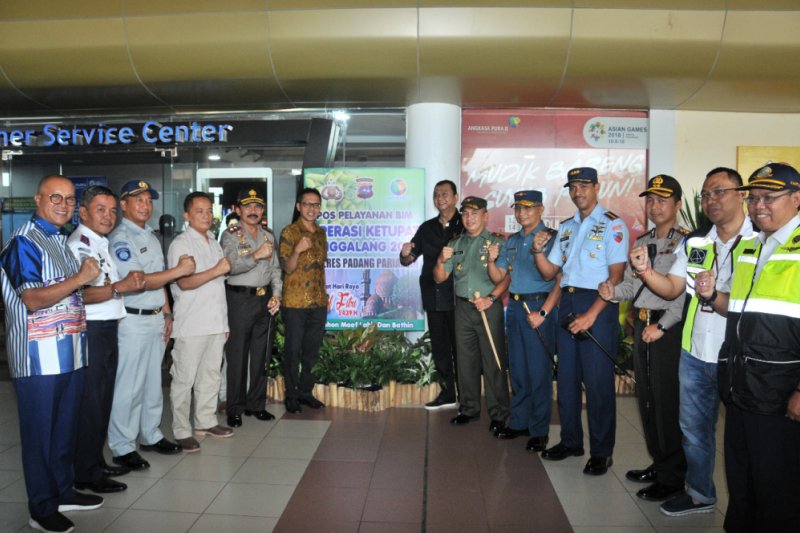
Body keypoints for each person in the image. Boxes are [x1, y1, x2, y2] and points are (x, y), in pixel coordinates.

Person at [628, 167, 752, 516]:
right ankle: (700, 493)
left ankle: (751, 503)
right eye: (707, 195)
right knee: (694, 430)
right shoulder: (697, 242)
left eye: (720, 192)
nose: (711, 200)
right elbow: (672, 288)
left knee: (742, 435)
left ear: (741, 194)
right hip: (696, 351)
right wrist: (645, 271)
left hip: (738, 353)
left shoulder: (759, 240)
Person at [693, 163, 800, 532]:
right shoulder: (751, 247)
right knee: (741, 482)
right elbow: (739, 310)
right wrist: (711, 295)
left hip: (780, 394)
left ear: (797, 198)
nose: (759, 206)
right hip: (740, 389)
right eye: (754, 198)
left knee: (778, 490)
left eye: (770, 197)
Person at [0, 175, 104, 533]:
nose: (64, 205)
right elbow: (31, 299)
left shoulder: (59, 239)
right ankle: (41, 507)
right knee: (40, 435)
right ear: (37, 198)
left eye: (70, 199)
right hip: (37, 357)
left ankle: (62, 491)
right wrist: (80, 279)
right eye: (55, 197)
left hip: (71, 351)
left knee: (63, 430)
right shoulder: (23, 242)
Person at [531, 167, 629, 476]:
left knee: (598, 384)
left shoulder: (613, 224)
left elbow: (616, 277)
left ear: (597, 187)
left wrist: (592, 314)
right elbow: (552, 274)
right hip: (569, 301)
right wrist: (537, 251)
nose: (577, 192)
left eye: (584, 186)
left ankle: (602, 452)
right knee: (568, 380)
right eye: (573, 187)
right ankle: (571, 440)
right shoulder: (568, 227)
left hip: (597, 304)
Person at [599, 175, 688, 500]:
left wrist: (662, 326)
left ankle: (673, 477)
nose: (655, 205)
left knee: (666, 403)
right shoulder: (645, 239)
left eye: (663, 200)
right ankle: (659, 463)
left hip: (666, 331)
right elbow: (636, 286)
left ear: (678, 204)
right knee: (647, 402)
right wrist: (612, 292)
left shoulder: (687, 243)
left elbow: (684, 294)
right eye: (650, 200)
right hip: (643, 328)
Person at [108, 180, 195, 471]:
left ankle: (150, 434)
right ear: (123, 205)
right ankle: (122, 445)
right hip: (132, 319)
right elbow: (138, 281)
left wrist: (167, 314)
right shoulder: (120, 238)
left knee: (151, 383)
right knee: (128, 386)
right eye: (138, 200)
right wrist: (179, 271)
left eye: (148, 200)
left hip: (155, 316)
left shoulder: (150, 234)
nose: (145, 205)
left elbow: (158, 281)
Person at [66, 186, 146, 494]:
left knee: (101, 402)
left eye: (112, 210)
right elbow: (78, 293)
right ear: (83, 212)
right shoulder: (79, 245)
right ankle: (85, 473)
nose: (108, 216)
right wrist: (120, 288)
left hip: (108, 327)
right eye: (100, 209)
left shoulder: (101, 243)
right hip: (92, 330)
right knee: (91, 403)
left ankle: (93, 462)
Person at [488, 190, 558, 452]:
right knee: (517, 368)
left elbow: (557, 278)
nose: (522, 213)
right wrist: (492, 261)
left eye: (528, 208)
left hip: (539, 305)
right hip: (515, 306)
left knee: (538, 371)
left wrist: (544, 313)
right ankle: (519, 422)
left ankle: (539, 429)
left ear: (541, 208)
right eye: (518, 208)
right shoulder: (513, 240)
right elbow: (498, 277)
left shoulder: (550, 238)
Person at [433, 196, 510, 431]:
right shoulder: (455, 244)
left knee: (493, 360)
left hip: (488, 305)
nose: (469, 218)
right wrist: (440, 259)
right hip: (464, 307)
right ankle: (469, 409)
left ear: (486, 216)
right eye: (465, 213)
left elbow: (506, 278)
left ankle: (499, 412)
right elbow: (440, 277)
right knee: (465, 361)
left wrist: (491, 299)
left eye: (475, 213)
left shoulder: (497, 242)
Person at [168, 192, 233, 452]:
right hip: (192, 324)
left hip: (215, 322)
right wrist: (216, 270)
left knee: (211, 376)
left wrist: (225, 323)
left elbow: (218, 288)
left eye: (209, 211)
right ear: (187, 215)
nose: (206, 216)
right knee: (184, 379)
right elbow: (184, 282)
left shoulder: (213, 242)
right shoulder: (181, 244)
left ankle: (205, 421)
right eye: (199, 211)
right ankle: (181, 430)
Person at [221, 188, 282, 427]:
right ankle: (234, 408)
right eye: (248, 206)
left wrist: (276, 294)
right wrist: (256, 255)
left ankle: (256, 404)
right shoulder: (230, 235)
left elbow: (276, 269)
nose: (253, 211)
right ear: (238, 210)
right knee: (237, 356)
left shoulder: (268, 234)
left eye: (257, 206)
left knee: (261, 355)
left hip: (264, 300)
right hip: (239, 300)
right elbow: (230, 267)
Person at [399, 179, 463, 409]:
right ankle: (448, 393)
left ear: (456, 197)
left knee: (461, 348)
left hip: (459, 298)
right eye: (436, 195)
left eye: (445, 194)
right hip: (433, 296)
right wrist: (404, 252)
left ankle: (467, 396)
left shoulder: (465, 225)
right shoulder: (426, 228)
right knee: (440, 347)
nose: (440, 198)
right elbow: (408, 259)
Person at [278, 187, 328, 413]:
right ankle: (291, 395)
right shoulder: (289, 232)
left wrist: (325, 297)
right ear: (299, 207)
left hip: (317, 303)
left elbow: (320, 269)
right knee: (293, 350)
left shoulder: (321, 233)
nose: (312, 209)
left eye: (316, 205)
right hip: (295, 303)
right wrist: (297, 251)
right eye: (307, 204)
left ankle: (306, 392)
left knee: (312, 351)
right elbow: (287, 269)